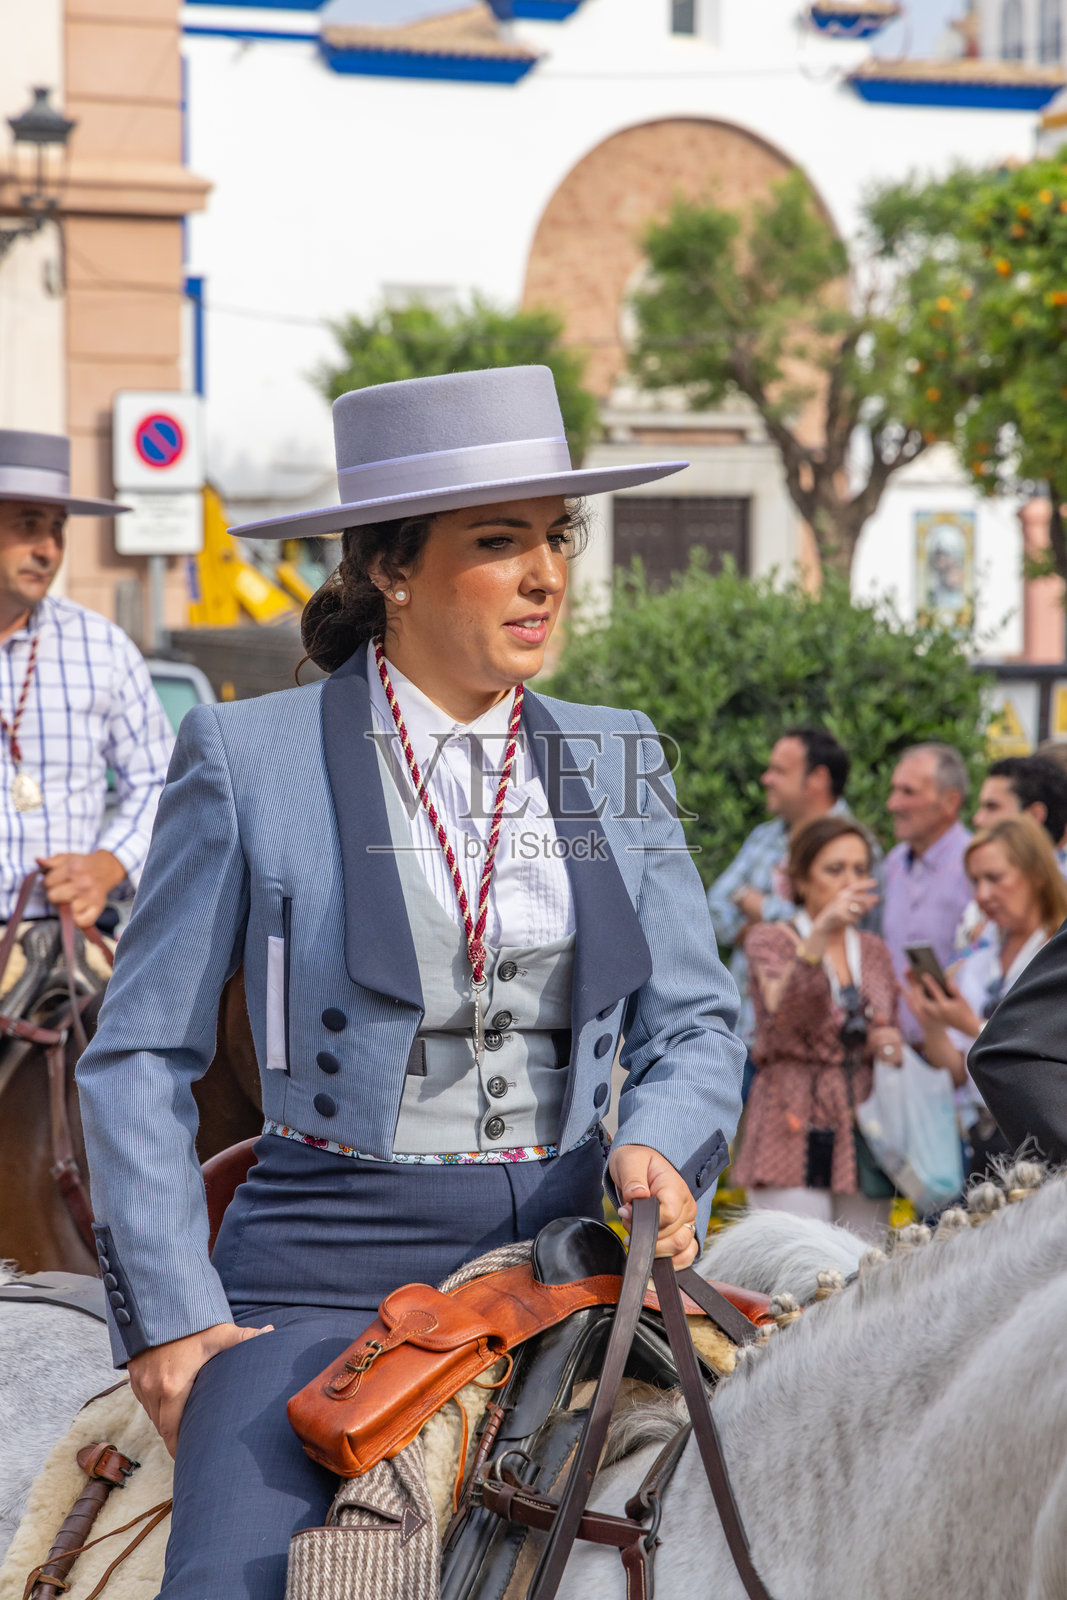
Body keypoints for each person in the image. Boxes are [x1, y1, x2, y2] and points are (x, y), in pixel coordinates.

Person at [75, 366, 746, 1600]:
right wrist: (171, 1319)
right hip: (319, 1273)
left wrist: (660, 1142)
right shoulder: (242, 755)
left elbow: (697, 1022)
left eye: (556, 537)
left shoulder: (617, 751)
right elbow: (135, 1058)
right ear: (390, 566)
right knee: (229, 1584)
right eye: (502, 542)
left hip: (575, 1258)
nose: (546, 573)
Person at [0, 429, 173, 931]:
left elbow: (164, 783)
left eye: (58, 528)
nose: (49, 549)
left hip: (67, 949)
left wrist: (108, 864)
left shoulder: (102, 647)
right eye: (29, 525)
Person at [733, 815, 902, 1235]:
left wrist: (887, 1040)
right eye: (835, 869)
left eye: (860, 870)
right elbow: (786, 1014)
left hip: (862, 1124)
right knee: (797, 1266)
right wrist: (823, 929)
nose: (850, 880)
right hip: (790, 1118)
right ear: (801, 880)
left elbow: (886, 1021)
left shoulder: (874, 950)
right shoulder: (771, 939)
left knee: (864, 1265)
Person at [905, 816, 1067, 1178]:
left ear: (1037, 874)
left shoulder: (1056, 960)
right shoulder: (975, 960)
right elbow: (957, 1071)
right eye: (975, 881)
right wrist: (932, 1022)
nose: (982, 895)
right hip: (979, 1138)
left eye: (995, 878)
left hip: (1043, 1138)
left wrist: (968, 1023)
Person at [707, 727, 861, 1050]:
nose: (766, 779)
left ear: (817, 779)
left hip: (810, 1044)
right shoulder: (765, 835)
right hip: (742, 1032)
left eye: (778, 770)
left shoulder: (854, 846)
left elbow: (843, 927)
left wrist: (759, 908)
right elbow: (714, 906)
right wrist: (785, 924)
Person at [883, 743, 972, 1046]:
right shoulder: (894, 862)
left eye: (908, 792)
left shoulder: (976, 866)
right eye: (894, 790)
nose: (892, 803)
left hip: (960, 1060)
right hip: (896, 1054)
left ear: (950, 802)